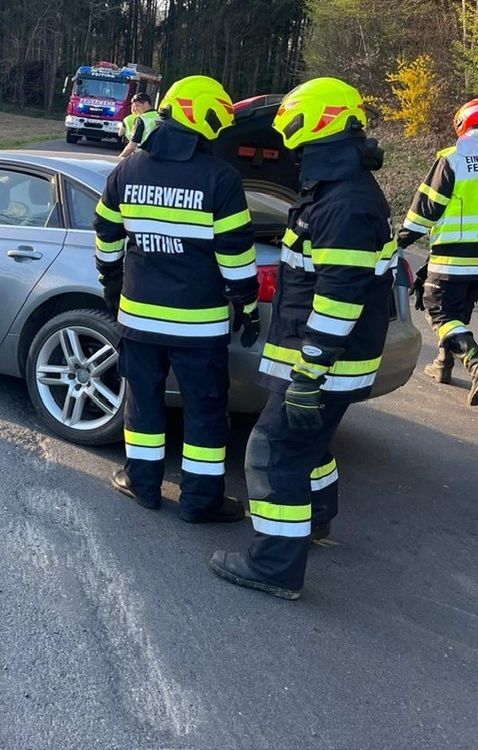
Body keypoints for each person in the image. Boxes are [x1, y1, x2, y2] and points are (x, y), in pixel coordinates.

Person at [210, 77, 395, 600]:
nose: (284, 133)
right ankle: (315, 518)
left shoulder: (344, 202)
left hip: (323, 362)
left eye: (291, 121)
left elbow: (338, 300)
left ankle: (273, 566)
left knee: (271, 453)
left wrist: (310, 372)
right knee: (309, 447)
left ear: (316, 121)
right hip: (328, 356)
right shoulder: (338, 189)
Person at [94, 75, 259, 523]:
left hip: (138, 319)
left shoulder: (127, 170)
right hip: (198, 326)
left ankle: (142, 485)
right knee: (204, 411)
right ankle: (200, 502)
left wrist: (110, 281)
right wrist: (247, 306)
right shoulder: (221, 178)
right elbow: (236, 255)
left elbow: (106, 233)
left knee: (143, 403)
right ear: (203, 117)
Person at [397, 99, 478, 401]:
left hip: (454, 258)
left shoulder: (453, 159)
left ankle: (474, 362)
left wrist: (400, 240)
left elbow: (427, 208)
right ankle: (443, 363)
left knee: (441, 312)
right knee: (458, 311)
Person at [119, 92, 160, 159]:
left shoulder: (142, 119)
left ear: (146, 104)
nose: (135, 109)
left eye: (137, 106)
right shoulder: (160, 117)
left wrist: (119, 159)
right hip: (158, 155)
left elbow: (132, 146)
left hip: (142, 156)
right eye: (134, 106)